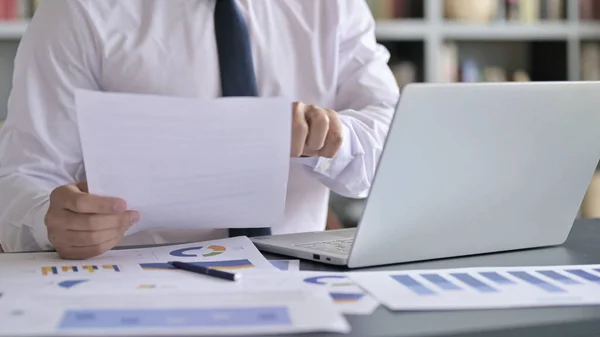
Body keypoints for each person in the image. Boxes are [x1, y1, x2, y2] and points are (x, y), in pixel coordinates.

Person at [0, 0, 399, 259]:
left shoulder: (335, 8)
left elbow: (398, 142)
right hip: (138, 284)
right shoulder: (78, 10)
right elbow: (22, 175)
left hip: (301, 278)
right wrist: (48, 218)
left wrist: (335, 137)